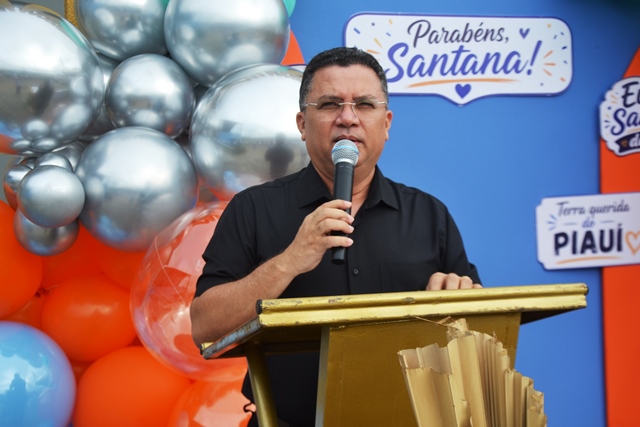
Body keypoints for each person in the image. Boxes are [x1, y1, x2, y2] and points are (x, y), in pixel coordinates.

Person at [191, 46, 482, 427]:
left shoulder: (429, 215)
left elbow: (479, 339)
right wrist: (289, 261)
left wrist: (461, 299)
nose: (347, 118)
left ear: (386, 123)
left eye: (364, 104)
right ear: (301, 124)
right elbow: (205, 327)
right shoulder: (253, 209)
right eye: (330, 104)